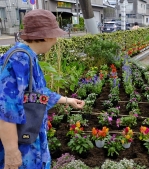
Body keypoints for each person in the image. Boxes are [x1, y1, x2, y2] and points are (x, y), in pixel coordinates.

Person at [0, 9, 85, 169]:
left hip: (29, 137)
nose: (55, 41)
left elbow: (38, 93)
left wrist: (68, 101)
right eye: (55, 35)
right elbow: (6, 109)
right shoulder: (19, 61)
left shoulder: (28, 57)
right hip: (22, 145)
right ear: (46, 36)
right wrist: (11, 151)